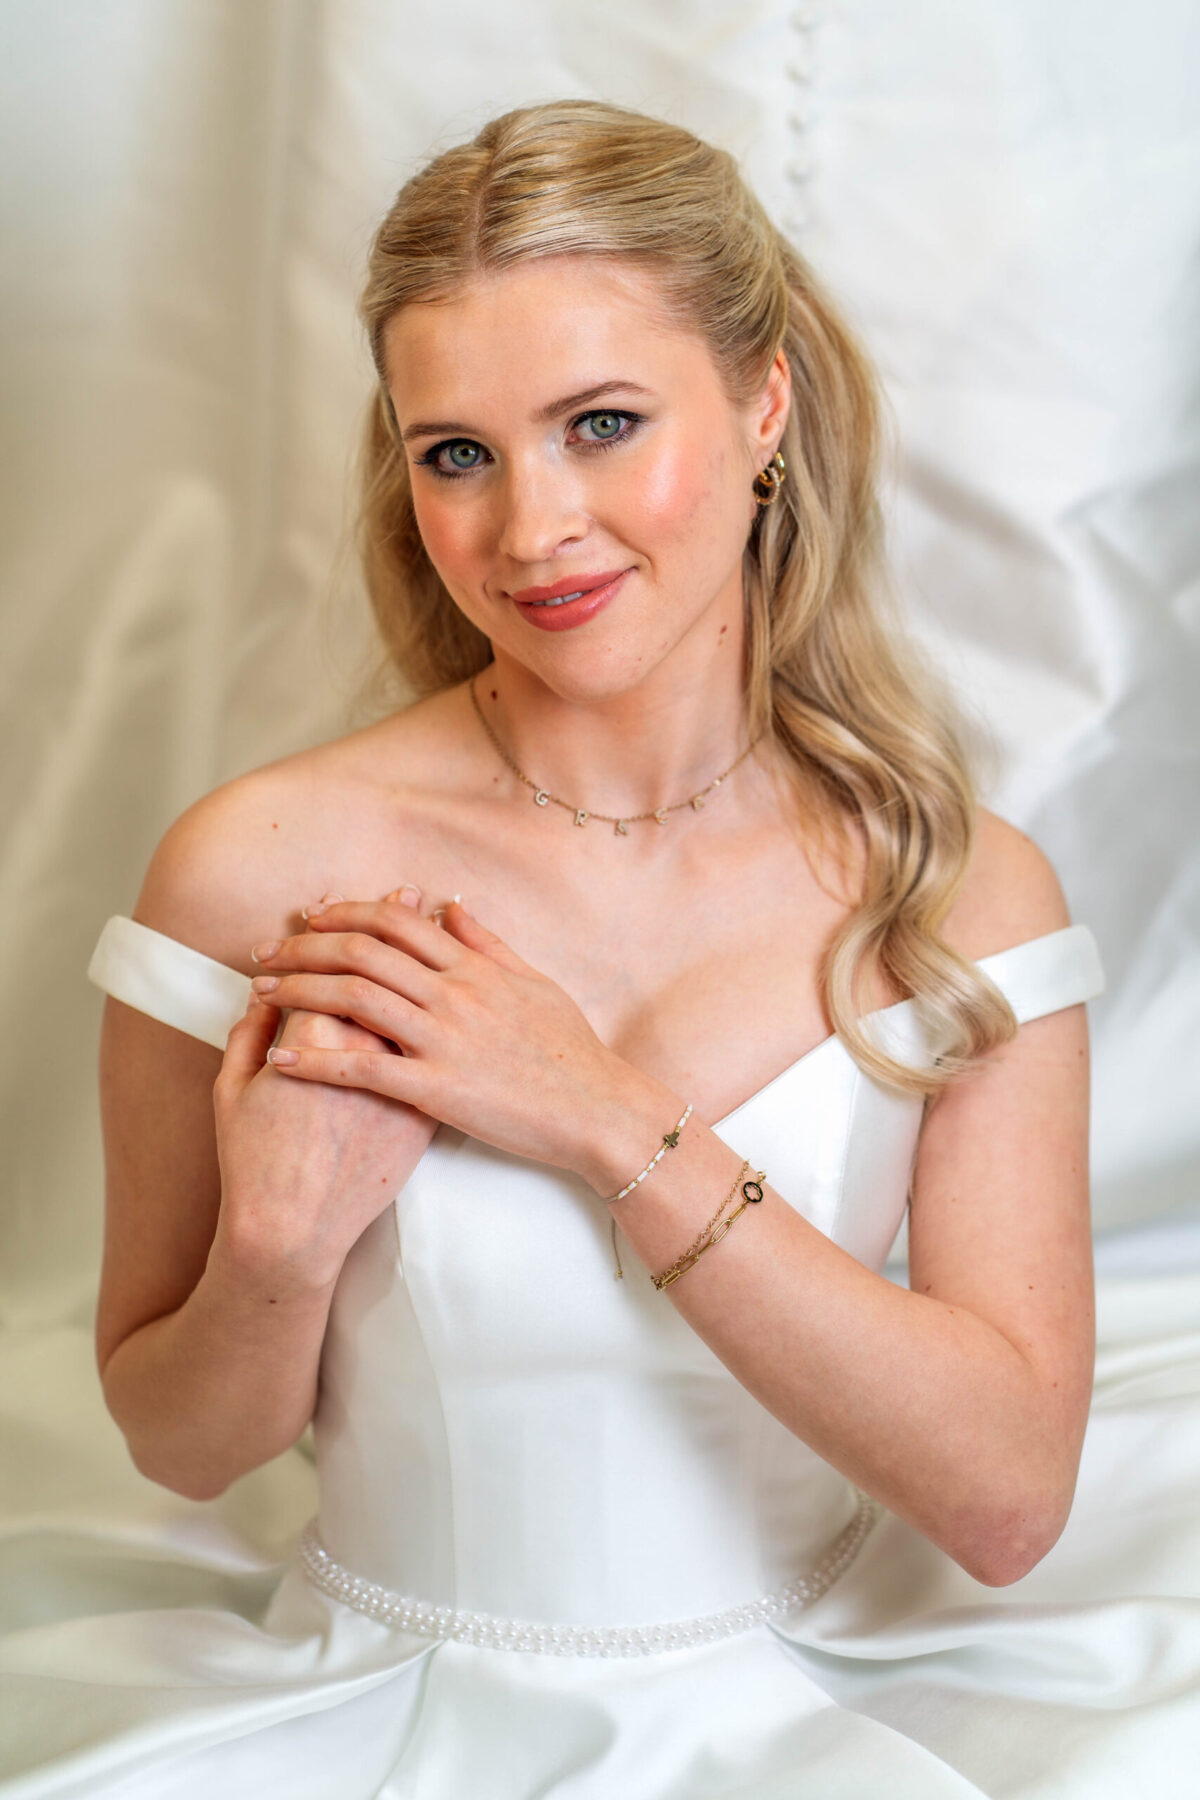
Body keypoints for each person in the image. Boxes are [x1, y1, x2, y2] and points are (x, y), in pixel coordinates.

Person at [8, 98, 1164, 1799]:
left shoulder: (959, 893)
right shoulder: (260, 871)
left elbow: (1004, 1503)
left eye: (601, 425)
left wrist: (599, 1112)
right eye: (455, 453)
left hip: (823, 1709)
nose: (529, 528)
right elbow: (181, 1449)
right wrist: (277, 1248)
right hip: (375, 1709)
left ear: (765, 407)